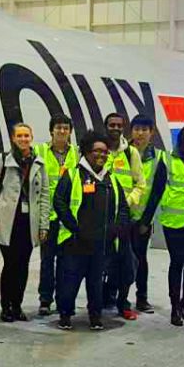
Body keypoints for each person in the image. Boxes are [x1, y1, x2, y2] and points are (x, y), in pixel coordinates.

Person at [53, 130, 130, 331]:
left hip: (101, 242)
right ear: (87, 152)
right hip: (75, 241)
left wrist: (116, 228)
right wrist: (74, 227)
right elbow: (59, 202)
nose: (101, 155)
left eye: (105, 152)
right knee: (69, 280)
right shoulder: (72, 174)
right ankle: (65, 315)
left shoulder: (111, 179)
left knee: (96, 283)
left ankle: (95, 317)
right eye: (97, 151)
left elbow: (122, 207)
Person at [140, 121, 184, 327]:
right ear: (183, 137)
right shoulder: (168, 160)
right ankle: (174, 307)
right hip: (173, 220)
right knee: (177, 261)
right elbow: (157, 191)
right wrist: (146, 219)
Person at [0, 123, 51, 322]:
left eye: (26, 136)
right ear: (13, 138)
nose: (23, 139)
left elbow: (45, 195)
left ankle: (17, 305)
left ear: (31, 137)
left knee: (23, 265)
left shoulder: (39, 162)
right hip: (7, 220)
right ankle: (6, 306)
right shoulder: (3, 159)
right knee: (10, 264)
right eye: (19, 136)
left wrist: (43, 224)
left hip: (28, 221)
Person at [101, 112, 145, 321]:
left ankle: (123, 301)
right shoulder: (98, 150)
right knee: (101, 260)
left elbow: (140, 184)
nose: (115, 128)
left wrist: (127, 202)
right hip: (101, 215)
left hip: (125, 216)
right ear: (105, 126)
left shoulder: (131, 153)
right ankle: (101, 297)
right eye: (112, 125)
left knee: (126, 259)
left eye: (119, 125)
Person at [33, 114, 78, 317]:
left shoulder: (77, 154)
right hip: (48, 216)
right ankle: (45, 300)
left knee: (67, 262)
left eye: (66, 128)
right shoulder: (39, 151)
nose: (62, 131)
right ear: (51, 130)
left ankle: (64, 300)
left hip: (68, 217)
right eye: (58, 127)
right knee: (46, 260)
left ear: (70, 132)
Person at [128, 114, 166, 313]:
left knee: (141, 258)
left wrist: (146, 220)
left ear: (151, 133)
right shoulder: (121, 153)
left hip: (143, 218)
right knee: (117, 258)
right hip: (122, 217)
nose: (140, 133)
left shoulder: (159, 157)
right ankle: (115, 296)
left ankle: (141, 298)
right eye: (136, 129)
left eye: (144, 129)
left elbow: (157, 191)